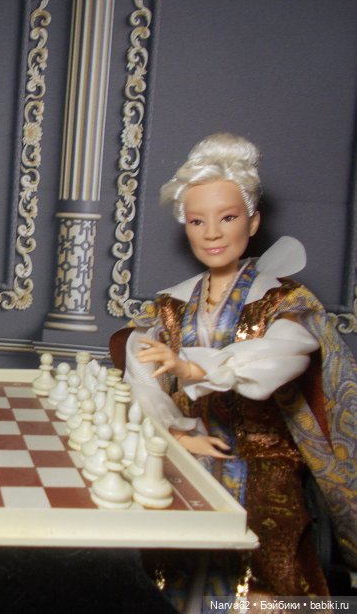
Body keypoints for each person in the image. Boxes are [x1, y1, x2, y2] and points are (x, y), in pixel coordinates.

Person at [123, 133, 356, 604]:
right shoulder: (170, 305)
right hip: (191, 448)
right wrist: (175, 434)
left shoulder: (285, 300)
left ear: (252, 222)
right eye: (197, 221)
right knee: (162, 543)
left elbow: (281, 357)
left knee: (267, 553)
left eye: (227, 217)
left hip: (266, 458)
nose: (211, 233)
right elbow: (140, 372)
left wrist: (192, 368)